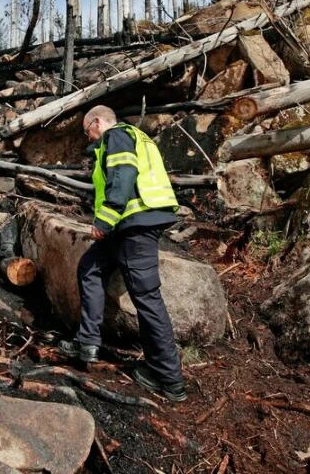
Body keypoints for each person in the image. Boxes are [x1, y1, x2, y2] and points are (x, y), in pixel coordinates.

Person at [59, 105, 186, 402]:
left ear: (98, 122)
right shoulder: (137, 137)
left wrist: (104, 219)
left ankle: (169, 378)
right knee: (90, 266)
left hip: (135, 225)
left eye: (88, 131)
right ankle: (87, 342)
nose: (89, 138)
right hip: (128, 225)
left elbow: (123, 176)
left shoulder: (116, 137)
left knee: (147, 300)